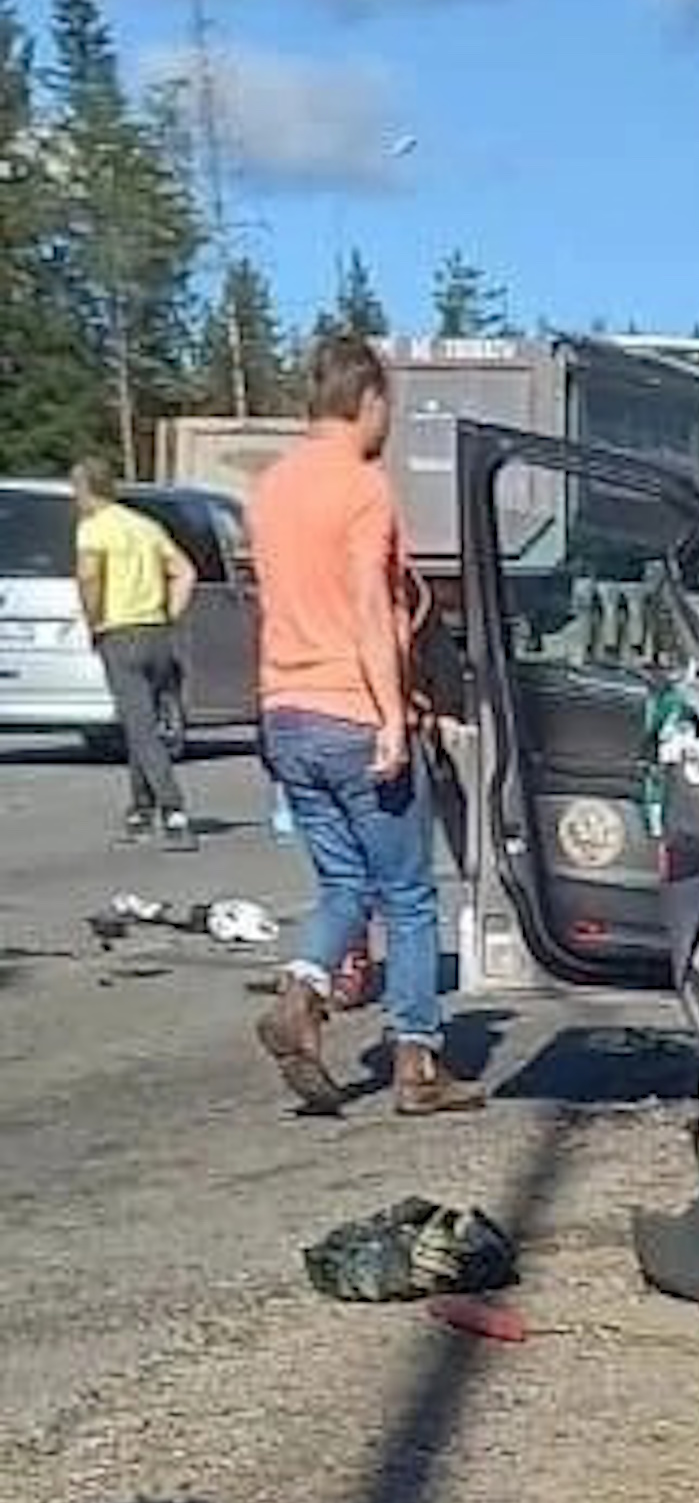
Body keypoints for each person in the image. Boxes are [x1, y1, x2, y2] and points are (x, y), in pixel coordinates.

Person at [248, 331, 480, 1120]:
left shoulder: (271, 486)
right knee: (409, 896)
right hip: (352, 709)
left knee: (343, 882)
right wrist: (391, 717)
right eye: (390, 406)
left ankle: (304, 987)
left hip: (285, 710)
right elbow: (371, 613)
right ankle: (417, 1061)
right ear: (369, 399)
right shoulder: (362, 487)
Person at [71, 460, 197, 848]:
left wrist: (93, 620)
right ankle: (140, 810)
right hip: (156, 631)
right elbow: (185, 571)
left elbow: (90, 576)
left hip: (119, 632)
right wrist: (169, 613)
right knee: (141, 723)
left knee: (141, 727)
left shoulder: (94, 528)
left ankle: (174, 811)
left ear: (85, 488)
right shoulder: (144, 525)